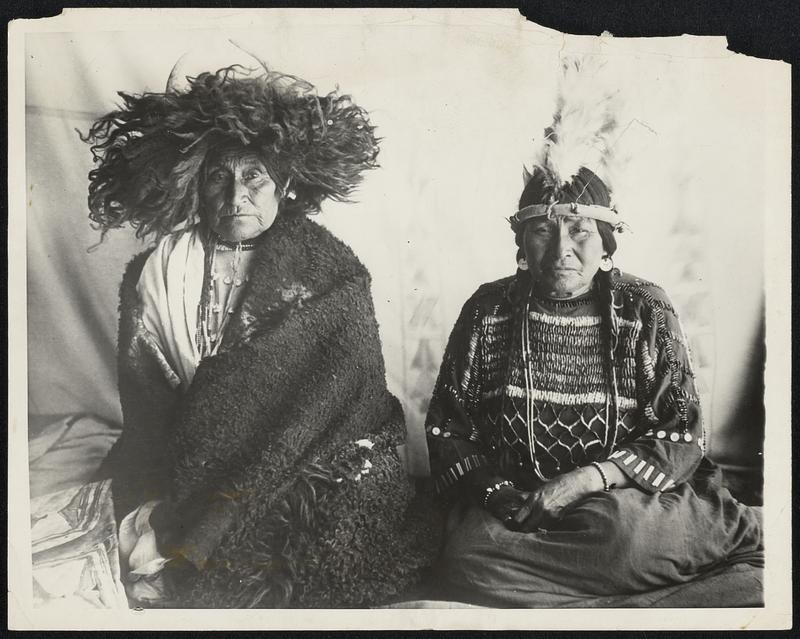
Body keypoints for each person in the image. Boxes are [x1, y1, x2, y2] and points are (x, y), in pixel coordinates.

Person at [85, 65, 437, 608]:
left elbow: (345, 393)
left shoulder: (331, 271)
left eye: (254, 178)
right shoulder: (156, 274)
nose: (235, 196)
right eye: (218, 178)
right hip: (196, 447)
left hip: (313, 446)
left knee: (313, 533)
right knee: (139, 531)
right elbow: (148, 401)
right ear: (194, 185)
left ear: (285, 185)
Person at [424, 59, 764, 607]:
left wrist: (586, 480)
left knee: (624, 537)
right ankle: (618, 589)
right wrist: (496, 491)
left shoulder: (643, 308)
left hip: (621, 498)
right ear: (522, 244)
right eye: (542, 229)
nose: (561, 249)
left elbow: (683, 432)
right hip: (519, 504)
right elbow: (448, 427)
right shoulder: (488, 310)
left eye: (580, 230)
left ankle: (581, 585)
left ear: (606, 243)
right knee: (466, 557)